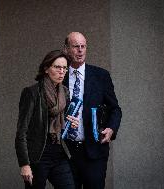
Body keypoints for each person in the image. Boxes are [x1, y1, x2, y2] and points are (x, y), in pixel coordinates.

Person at [63, 32, 122, 189]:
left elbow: (115, 109)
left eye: (83, 46)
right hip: (66, 152)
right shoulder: (60, 76)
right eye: (76, 46)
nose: (80, 50)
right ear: (66, 49)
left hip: (94, 152)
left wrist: (111, 129)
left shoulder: (100, 76)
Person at [15, 50, 79, 189]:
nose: (62, 71)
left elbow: (64, 123)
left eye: (64, 68)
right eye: (57, 67)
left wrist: (72, 124)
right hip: (38, 156)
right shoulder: (31, 93)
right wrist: (25, 164)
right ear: (46, 69)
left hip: (59, 152)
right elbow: (21, 132)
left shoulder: (65, 92)